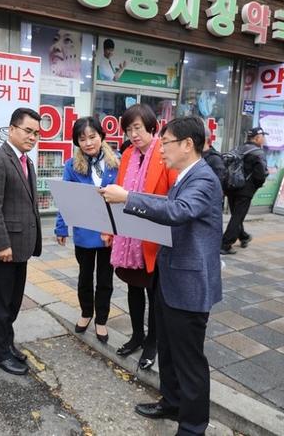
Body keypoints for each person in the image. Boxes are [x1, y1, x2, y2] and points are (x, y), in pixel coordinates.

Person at [100, 116, 223, 436]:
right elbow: (168, 203)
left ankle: (193, 427)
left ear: (187, 144)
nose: (161, 150)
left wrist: (128, 198)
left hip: (189, 285)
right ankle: (172, 402)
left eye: (166, 143)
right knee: (168, 351)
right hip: (170, 279)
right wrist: (130, 200)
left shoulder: (204, 179)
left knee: (189, 360)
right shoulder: (185, 176)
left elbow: (178, 211)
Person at [0, 107, 42, 376]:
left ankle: (6, 344)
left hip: (20, 248)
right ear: (12, 129)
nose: (32, 137)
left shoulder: (26, 162)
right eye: (28, 131)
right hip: (0, 250)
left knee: (12, 303)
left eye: (36, 133)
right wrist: (2, 244)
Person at [106, 104, 177, 371]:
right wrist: (110, 229)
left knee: (154, 292)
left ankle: (152, 342)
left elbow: (173, 195)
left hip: (155, 233)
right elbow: (119, 192)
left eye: (137, 128)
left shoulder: (164, 152)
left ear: (151, 126)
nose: (133, 134)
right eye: (128, 129)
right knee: (133, 287)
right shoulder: (128, 154)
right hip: (129, 235)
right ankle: (137, 335)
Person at [55, 117, 120, 343]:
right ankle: (86, 313)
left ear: (101, 136)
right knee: (84, 276)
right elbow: (65, 199)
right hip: (84, 231)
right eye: (82, 139)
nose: (88, 143)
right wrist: (61, 228)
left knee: (105, 279)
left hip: (110, 232)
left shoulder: (117, 162)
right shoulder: (72, 166)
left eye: (92, 137)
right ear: (77, 142)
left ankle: (101, 319)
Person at [220, 126, 268, 255]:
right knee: (237, 216)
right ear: (257, 138)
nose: (263, 140)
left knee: (237, 215)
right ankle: (225, 244)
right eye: (262, 137)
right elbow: (260, 175)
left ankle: (243, 236)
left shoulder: (237, 149)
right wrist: (255, 186)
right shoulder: (258, 153)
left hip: (231, 187)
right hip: (245, 190)